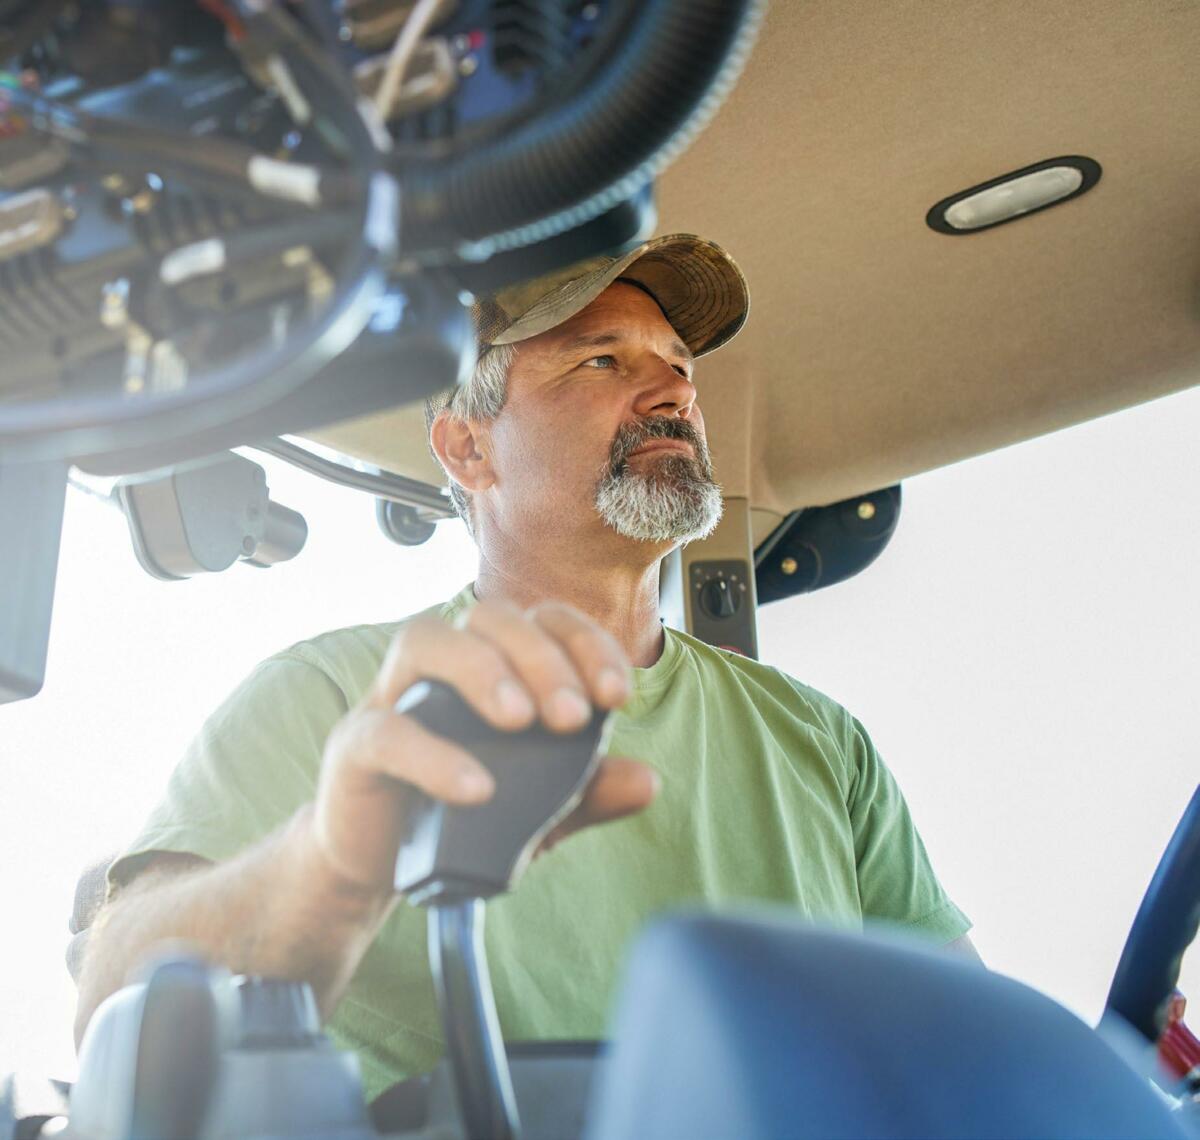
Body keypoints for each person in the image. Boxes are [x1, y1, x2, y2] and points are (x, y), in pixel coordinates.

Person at [75, 234, 975, 1103]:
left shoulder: (822, 742)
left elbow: (970, 1047)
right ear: (468, 448)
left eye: (680, 366)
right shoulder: (335, 697)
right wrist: (334, 862)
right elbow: (115, 998)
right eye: (602, 362)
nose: (671, 392)